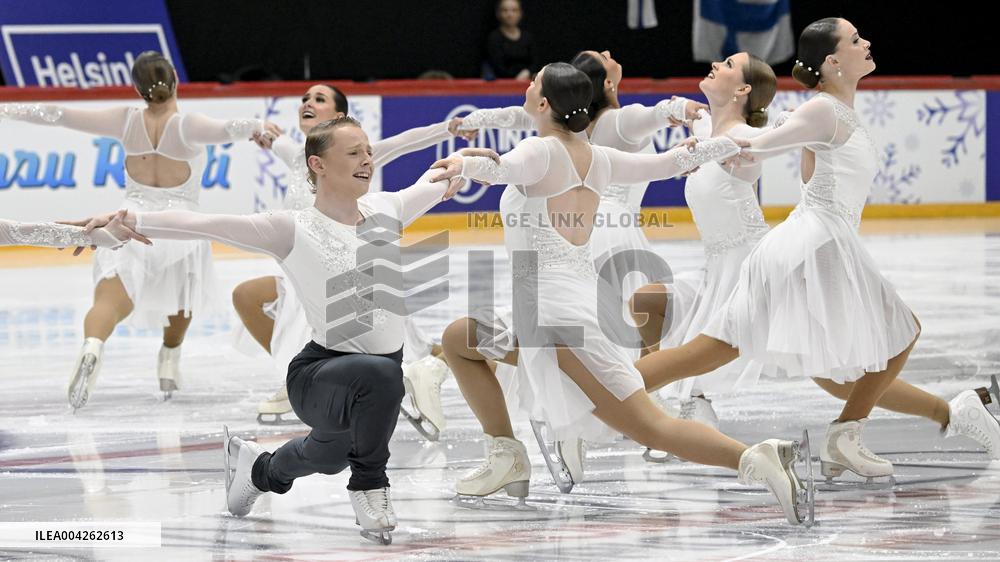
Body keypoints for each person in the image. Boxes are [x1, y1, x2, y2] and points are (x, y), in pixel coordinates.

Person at [433, 62, 812, 525]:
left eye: (533, 85)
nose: (527, 87)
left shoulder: (540, 150)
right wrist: (719, 142)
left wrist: (463, 164)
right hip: (549, 310)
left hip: (557, 319)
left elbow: (501, 168)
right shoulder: (598, 157)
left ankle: (756, 459)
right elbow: (669, 163)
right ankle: (506, 454)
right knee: (461, 339)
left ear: (546, 103)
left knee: (648, 424)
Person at [633, 18, 1000, 483]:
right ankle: (847, 433)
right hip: (814, 243)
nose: (866, 43)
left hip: (816, 241)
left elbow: (788, 152)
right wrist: (717, 148)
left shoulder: (831, 112)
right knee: (897, 332)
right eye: (854, 40)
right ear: (832, 61)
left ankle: (944, 414)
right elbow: (757, 142)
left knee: (821, 369)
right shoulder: (823, 109)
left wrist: (743, 141)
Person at [86, 116, 484, 544]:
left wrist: (469, 160)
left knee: (330, 455)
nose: (367, 159)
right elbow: (206, 224)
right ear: (318, 164)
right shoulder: (292, 227)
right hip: (320, 375)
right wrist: (131, 218)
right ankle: (369, 487)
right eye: (353, 153)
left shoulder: (387, 209)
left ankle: (259, 470)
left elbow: (441, 180)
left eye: (368, 151)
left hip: (376, 378)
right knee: (384, 377)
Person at [0, 51, 264, 410]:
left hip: (127, 220)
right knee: (180, 299)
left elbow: (58, 115)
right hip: (179, 227)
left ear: (136, 87)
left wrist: (8, 109)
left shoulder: (125, 121)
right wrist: (260, 128)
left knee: (108, 299)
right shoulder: (188, 126)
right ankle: (169, 361)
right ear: (173, 77)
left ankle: (93, 344)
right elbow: (231, 129)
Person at [242, 83, 468, 434]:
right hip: (308, 261)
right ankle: (309, 378)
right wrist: (256, 127)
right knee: (254, 299)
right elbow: (262, 135)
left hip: (352, 258)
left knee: (372, 335)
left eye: (319, 99)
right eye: (304, 99)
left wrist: (446, 129)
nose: (307, 103)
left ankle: (417, 373)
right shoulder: (298, 153)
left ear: (340, 116)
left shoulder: (357, 152)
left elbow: (407, 140)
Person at [629, 52, 777, 461]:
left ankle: (660, 399)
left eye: (728, 63)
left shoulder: (746, 142)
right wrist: (680, 110)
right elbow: (684, 116)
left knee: (824, 366)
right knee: (647, 301)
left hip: (750, 266)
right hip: (715, 267)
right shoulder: (704, 126)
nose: (716, 62)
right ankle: (661, 408)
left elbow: (772, 137)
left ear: (744, 89)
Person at [485, 0, 537, 80]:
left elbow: (536, 62)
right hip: (504, 85)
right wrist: (516, 79)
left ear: (520, 13)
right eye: (505, 10)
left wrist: (528, 72)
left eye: (514, 10)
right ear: (498, 14)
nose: (510, 14)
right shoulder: (494, 38)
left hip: (528, 82)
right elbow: (497, 67)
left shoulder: (527, 37)